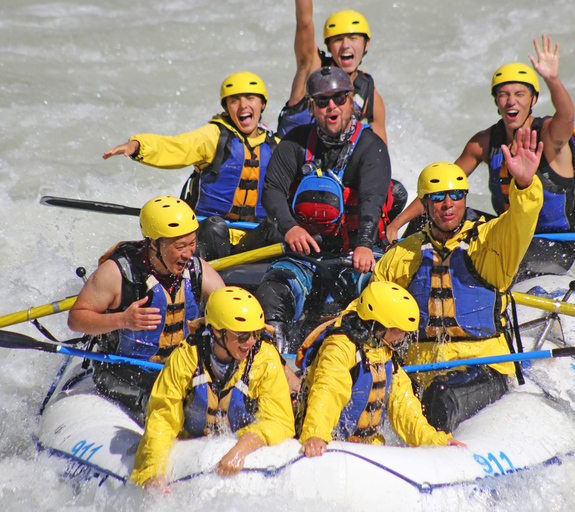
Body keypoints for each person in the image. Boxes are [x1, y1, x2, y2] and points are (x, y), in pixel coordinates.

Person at [372, 128, 544, 433]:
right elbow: (372, 314)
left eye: (456, 195)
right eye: (438, 197)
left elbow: (522, 218)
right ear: (424, 205)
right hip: (419, 367)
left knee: (440, 395)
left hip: (483, 366)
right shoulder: (402, 256)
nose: (448, 203)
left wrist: (525, 183)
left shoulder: (490, 241)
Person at [386, 35, 575, 278]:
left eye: (520, 94)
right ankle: (403, 273)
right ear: (496, 102)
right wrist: (396, 225)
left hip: (552, 246)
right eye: (503, 95)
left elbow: (566, 117)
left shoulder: (549, 136)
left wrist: (552, 79)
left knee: (490, 249)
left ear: (533, 99)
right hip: (507, 234)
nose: (511, 101)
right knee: (433, 217)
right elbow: (439, 187)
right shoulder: (483, 143)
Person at [255, 66, 395, 353]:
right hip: (305, 257)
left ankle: (377, 364)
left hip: (356, 257)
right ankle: (272, 363)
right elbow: (272, 191)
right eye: (322, 101)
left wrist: (366, 245)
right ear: (312, 107)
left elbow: (372, 199)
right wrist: (289, 227)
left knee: (381, 297)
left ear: (351, 103)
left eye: (339, 99)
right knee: (272, 292)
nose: (332, 106)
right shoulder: (294, 143)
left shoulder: (371, 147)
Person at [68, 195, 225, 423]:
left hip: (179, 368)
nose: (189, 253)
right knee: (165, 402)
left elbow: (228, 304)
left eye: (192, 243)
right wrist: (122, 320)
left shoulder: (197, 271)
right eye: (180, 246)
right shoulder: (116, 273)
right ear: (154, 244)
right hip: (123, 370)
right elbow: (76, 318)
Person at [103, 72, 283, 261]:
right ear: (226, 107)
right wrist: (139, 146)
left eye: (250, 98)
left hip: (252, 236)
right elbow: (176, 147)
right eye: (234, 100)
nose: (243, 105)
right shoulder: (214, 136)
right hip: (207, 232)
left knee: (277, 228)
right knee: (216, 227)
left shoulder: (276, 146)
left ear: (262, 104)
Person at [131, 286, 295, 489]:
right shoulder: (186, 357)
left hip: (245, 451)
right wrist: (152, 471)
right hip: (191, 449)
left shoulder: (265, 358)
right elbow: (162, 418)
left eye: (257, 333)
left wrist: (240, 450)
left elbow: (280, 421)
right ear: (217, 331)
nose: (251, 342)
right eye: (243, 336)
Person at [297, 281, 466, 457]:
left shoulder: (384, 354)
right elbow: (328, 391)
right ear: (378, 326)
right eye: (399, 330)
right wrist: (316, 435)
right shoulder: (339, 348)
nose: (403, 337)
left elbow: (405, 409)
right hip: (330, 445)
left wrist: (435, 441)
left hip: (367, 447)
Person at [277, 1, 386, 143]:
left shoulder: (368, 94)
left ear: (366, 45)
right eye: (338, 40)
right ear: (328, 46)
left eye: (353, 38)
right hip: (285, 159)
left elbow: (380, 152)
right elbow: (304, 22)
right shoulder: (312, 67)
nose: (346, 45)